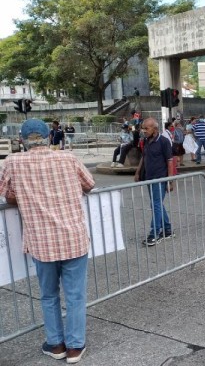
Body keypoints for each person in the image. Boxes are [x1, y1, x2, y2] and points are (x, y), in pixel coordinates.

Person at [0, 118, 95, 364]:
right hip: (73, 238)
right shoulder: (68, 157)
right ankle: (75, 347)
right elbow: (89, 184)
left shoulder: (12, 162)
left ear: (21, 140)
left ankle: (56, 345)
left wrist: (22, 195)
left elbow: (8, 195)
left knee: (48, 295)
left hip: (42, 242)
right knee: (75, 295)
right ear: (48, 137)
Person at [135, 117, 175, 245]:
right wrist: (138, 171)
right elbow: (144, 156)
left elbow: (170, 162)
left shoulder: (164, 141)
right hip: (149, 177)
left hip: (160, 178)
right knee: (155, 204)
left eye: (147, 128)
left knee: (156, 204)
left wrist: (170, 181)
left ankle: (154, 233)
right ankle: (167, 229)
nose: (144, 130)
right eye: (143, 128)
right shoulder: (146, 141)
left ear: (155, 129)